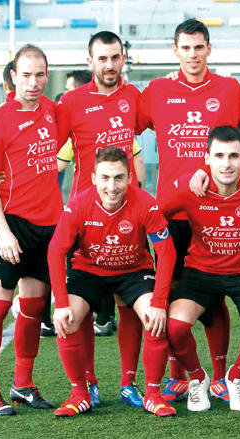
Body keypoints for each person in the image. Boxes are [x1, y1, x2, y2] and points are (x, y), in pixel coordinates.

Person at [136, 18, 240, 404]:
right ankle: (181, 376)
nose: (193, 54)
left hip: (215, 211)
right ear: (175, 51)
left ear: (209, 49)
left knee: (215, 296)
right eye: (185, 48)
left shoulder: (230, 89)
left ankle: (220, 375)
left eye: (199, 47)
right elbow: (125, 131)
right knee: (170, 292)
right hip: (170, 213)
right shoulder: (156, 91)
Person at [47, 146, 176, 418]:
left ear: (130, 177)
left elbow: (166, 251)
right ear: (93, 177)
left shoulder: (144, 202)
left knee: (155, 319)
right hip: (89, 270)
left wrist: (159, 302)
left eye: (118, 178)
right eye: (105, 178)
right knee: (67, 320)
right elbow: (56, 251)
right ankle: (80, 392)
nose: (112, 186)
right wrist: (60, 303)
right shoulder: (79, 204)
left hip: (133, 270)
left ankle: (151, 393)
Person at [56, 30, 148, 409]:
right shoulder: (70, 102)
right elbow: (47, 149)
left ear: (123, 58)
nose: (109, 65)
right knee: (86, 303)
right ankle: (89, 384)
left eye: (115, 57)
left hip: (129, 212)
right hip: (86, 215)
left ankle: (129, 383)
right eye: (102, 58)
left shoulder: (135, 98)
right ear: (90, 60)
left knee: (129, 302)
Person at [161, 125, 240, 412]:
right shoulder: (192, 188)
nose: (226, 164)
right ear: (207, 158)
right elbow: (157, 213)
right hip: (201, 270)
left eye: (234, 156)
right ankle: (199, 379)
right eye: (219, 156)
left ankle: (235, 377)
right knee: (174, 327)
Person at [0, 44, 62, 416]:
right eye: (26, 74)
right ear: (13, 75)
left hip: (48, 227)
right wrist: (4, 232)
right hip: (10, 225)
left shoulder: (54, 112)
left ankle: (23, 385)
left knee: (32, 308)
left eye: (40, 74)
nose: (33, 82)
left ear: (47, 74)